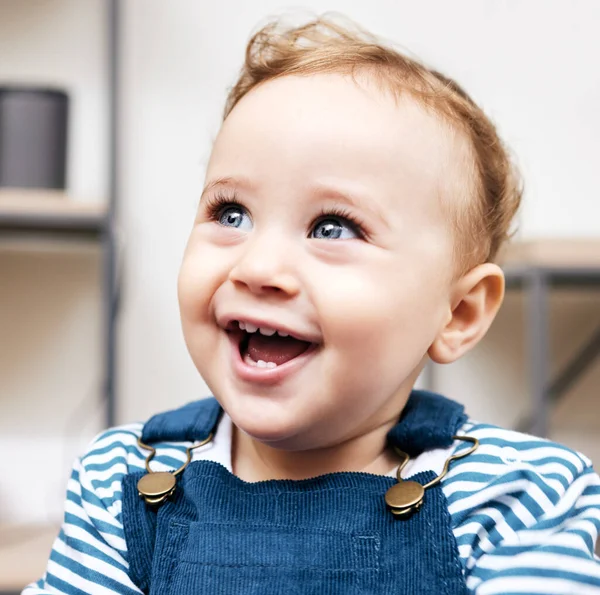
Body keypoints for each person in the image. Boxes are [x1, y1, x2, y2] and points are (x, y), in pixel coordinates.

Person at [25, 15, 600, 595]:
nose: (257, 266)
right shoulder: (128, 477)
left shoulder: (516, 496)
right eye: (232, 215)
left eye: (332, 227)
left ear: (458, 314)